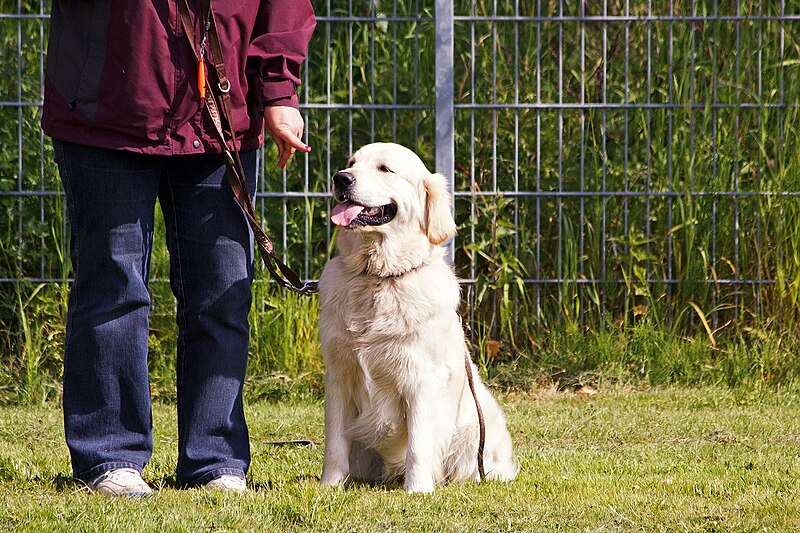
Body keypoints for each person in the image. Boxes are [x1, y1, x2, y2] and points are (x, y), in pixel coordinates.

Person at [41, 1, 316, 495]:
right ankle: (109, 458)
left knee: (222, 295)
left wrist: (279, 90)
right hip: (106, 106)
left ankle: (216, 462)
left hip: (221, 114)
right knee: (112, 288)